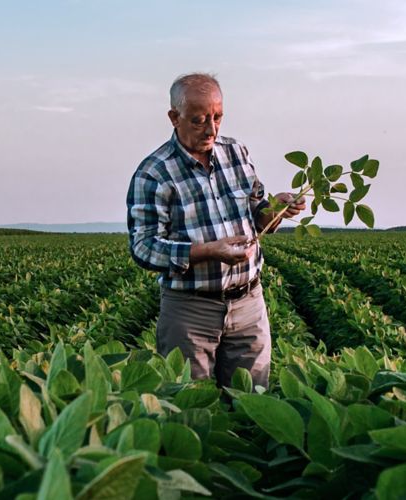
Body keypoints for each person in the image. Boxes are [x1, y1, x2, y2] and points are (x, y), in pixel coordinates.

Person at [125, 72, 306, 390]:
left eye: (217, 117)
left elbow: (257, 215)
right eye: (198, 120)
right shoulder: (154, 172)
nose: (211, 129)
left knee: (252, 401)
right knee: (190, 406)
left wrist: (276, 209)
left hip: (249, 303)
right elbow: (144, 247)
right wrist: (209, 251)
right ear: (174, 117)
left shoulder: (237, 153)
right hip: (190, 310)